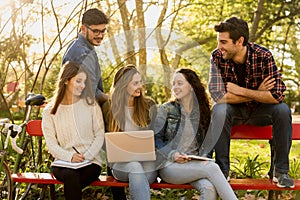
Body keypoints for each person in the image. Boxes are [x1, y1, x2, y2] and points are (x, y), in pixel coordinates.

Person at [206, 16, 294, 188]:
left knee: (283, 110)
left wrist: (240, 91)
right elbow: (218, 96)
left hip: (261, 112)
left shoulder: (263, 56)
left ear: (240, 41)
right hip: (234, 113)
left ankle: (281, 171)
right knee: (219, 110)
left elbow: (277, 95)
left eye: (224, 42)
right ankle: (222, 171)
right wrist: (259, 92)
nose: (219, 47)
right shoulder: (217, 57)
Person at [154, 68, 237, 200]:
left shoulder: (203, 112)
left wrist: (203, 157)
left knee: (209, 189)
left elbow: (207, 143)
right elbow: (156, 140)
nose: (175, 87)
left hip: (194, 164)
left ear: (191, 86)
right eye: (173, 84)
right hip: (169, 166)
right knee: (213, 168)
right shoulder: (166, 110)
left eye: (179, 83)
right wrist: (173, 154)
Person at [42, 61, 105, 200]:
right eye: (78, 81)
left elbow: (100, 135)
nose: (82, 86)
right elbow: (51, 144)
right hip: (63, 162)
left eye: (84, 82)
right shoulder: (49, 111)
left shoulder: (91, 105)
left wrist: (86, 155)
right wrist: (69, 157)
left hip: (90, 162)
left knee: (73, 178)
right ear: (66, 81)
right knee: (71, 175)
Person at [102, 65, 157, 200]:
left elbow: (156, 137)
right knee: (134, 167)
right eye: (135, 83)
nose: (140, 86)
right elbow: (105, 142)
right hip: (121, 165)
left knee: (138, 172)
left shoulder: (149, 105)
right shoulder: (109, 107)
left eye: (140, 82)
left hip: (146, 163)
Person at [62, 8, 109, 105]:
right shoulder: (82, 53)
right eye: (96, 31)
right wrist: (113, 98)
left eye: (103, 31)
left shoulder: (79, 46)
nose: (100, 36)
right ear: (83, 29)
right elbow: (91, 92)